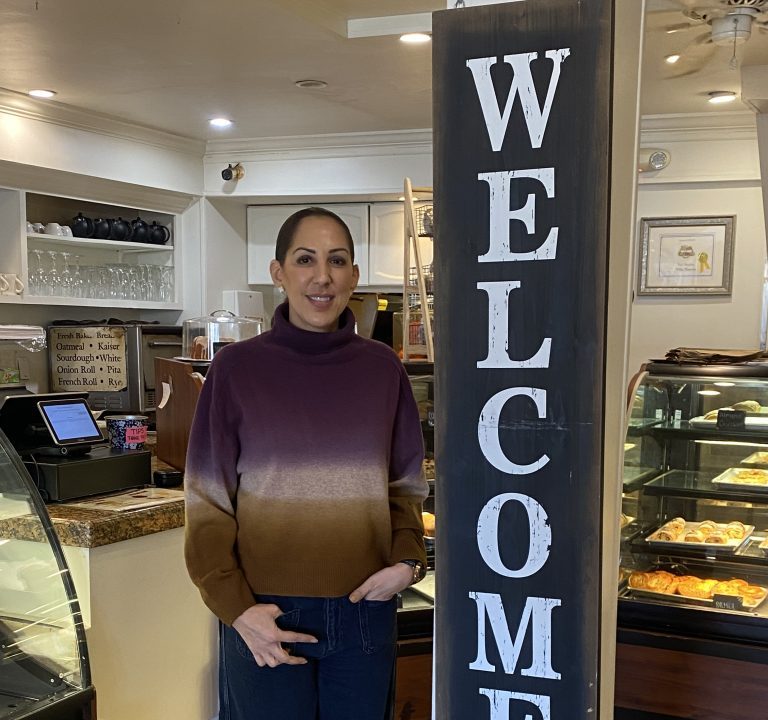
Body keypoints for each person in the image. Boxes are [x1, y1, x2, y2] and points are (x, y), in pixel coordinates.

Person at [184, 206, 429, 720]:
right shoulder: (235, 369)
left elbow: (405, 487)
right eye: (305, 260)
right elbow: (207, 503)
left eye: (337, 261)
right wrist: (236, 609)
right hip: (264, 611)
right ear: (278, 272)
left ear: (354, 276)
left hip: (365, 611)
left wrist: (407, 563)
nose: (322, 276)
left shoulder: (383, 369)